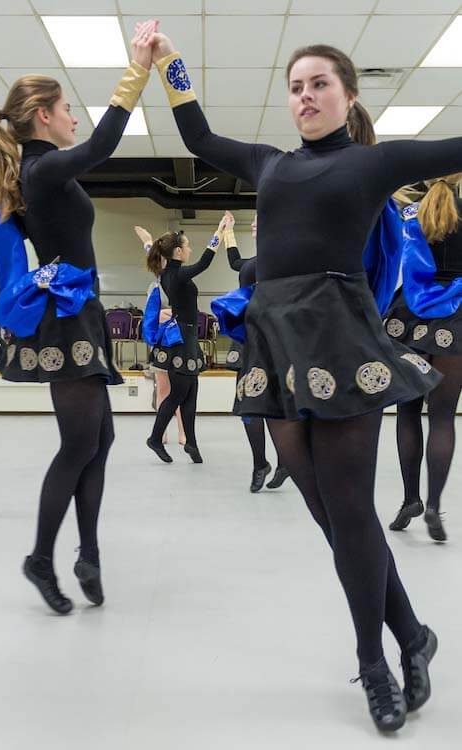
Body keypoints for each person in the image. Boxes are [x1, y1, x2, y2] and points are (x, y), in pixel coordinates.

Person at [146, 29, 462, 731]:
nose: (306, 95)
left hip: (344, 340)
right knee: (328, 514)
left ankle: (375, 662)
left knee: (350, 512)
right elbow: (197, 133)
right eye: (296, 87)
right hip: (275, 343)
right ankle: (413, 633)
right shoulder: (268, 165)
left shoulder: (375, 164)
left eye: (320, 83)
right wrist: (163, 60)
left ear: (348, 98)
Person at [0, 19, 157, 615]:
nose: (74, 118)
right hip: (65, 319)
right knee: (79, 442)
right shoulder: (43, 168)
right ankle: (40, 557)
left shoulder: (36, 173)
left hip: (78, 313)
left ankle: (89, 553)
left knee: (99, 439)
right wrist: (138, 71)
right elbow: (101, 146)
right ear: (44, 116)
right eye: (66, 109)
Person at [387, 174, 462, 542]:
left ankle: (410, 499)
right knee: (443, 417)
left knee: (407, 412)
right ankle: (433, 504)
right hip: (457, 321)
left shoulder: (408, 216)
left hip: (409, 322)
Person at [145, 217, 226, 464]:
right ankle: (155, 438)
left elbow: (155, 253)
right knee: (179, 394)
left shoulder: (167, 273)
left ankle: (191, 443)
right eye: (187, 245)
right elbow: (204, 262)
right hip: (182, 338)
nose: (190, 249)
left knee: (190, 394)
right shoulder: (177, 274)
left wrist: (148, 243)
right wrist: (219, 233)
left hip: (185, 336)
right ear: (178, 251)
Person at [224, 211, 289, 492]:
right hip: (263, 340)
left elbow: (241, 265)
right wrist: (228, 232)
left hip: (266, 340)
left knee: (261, 404)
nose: (253, 222)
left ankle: (271, 462)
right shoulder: (255, 263)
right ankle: (270, 462)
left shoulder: (275, 262)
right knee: (259, 403)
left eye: (258, 220)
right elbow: (236, 262)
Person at [135, 224, 186, 445]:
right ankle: (162, 430)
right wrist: (147, 240)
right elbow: (150, 315)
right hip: (162, 339)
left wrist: (147, 240)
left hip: (180, 337)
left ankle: (184, 432)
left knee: (182, 389)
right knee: (163, 387)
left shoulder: (180, 276)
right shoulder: (156, 283)